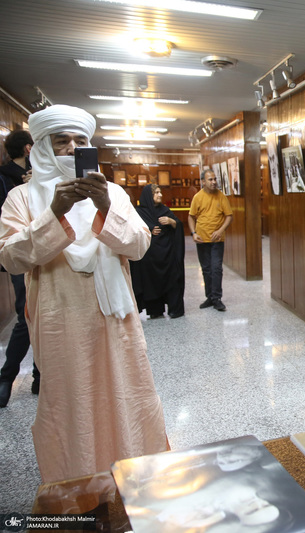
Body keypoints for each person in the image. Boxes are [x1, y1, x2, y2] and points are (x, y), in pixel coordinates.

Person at [0, 104, 168, 482]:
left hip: (116, 319)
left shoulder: (114, 194)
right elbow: (11, 259)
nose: (72, 149)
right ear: (40, 148)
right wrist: (55, 212)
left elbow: (139, 246)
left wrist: (106, 206)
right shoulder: (22, 199)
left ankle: (136, 481)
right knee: (71, 404)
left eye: (81, 141)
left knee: (127, 394)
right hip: (60, 322)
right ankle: (79, 486)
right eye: (62, 142)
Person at [0, 129, 39, 407]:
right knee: (27, 314)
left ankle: (40, 375)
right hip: (21, 254)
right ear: (28, 149)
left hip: (48, 252)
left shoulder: (43, 174)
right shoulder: (5, 179)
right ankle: (6, 377)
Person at [130, 184, 185, 319]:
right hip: (149, 257)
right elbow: (133, 230)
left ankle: (175, 309)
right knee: (151, 282)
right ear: (149, 196)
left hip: (167, 255)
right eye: (156, 193)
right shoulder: (139, 213)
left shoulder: (165, 210)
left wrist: (172, 221)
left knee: (173, 279)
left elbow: (178, 226)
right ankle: (155, 310)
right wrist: (149, 229)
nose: (160, 195)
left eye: (160, 192)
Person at [188, 169, 233, 312]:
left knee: (216, 268)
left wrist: (220, 231)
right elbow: (191, 216)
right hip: (202, 239)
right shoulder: (198, 197)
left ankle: (217, 298)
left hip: (217, 240)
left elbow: (229, 216)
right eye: (210, 180)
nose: (214, 182)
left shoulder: (221, 197)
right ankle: (210, 297)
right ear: (203, 182)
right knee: (206, 269)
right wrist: (193, 233)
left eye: (215, 179)